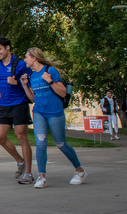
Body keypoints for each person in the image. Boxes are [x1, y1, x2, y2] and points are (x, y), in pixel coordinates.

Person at [20, 48, 87, 188]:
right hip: (39, 112)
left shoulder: (50, 71)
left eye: (26, 57)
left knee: (61, 143)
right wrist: (25, 85)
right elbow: (33, 99)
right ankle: (41, 176)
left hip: (55, 112)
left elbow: (63, 93)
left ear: (34, 58)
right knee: (40, 144)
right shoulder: (32, 76)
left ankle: (79, 171)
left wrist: (50, 81)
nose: (25, 60)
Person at [0, 37, 34, 184]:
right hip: (4, 105)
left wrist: (17, 84)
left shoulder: (21, 64)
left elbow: (29, 84)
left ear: (8, 47)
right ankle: (20, 161)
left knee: (21, 136)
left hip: (19, 104)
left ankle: (28, 173)